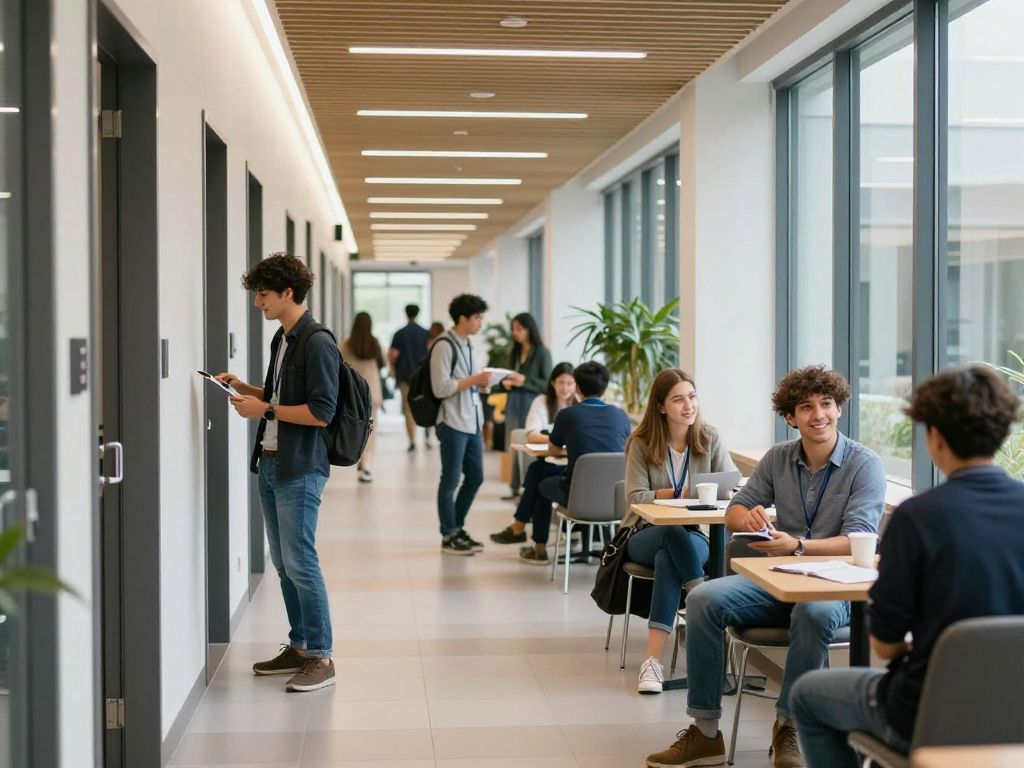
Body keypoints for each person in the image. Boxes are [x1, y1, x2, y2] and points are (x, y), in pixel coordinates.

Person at [645, 365, 885, 768]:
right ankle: (705, 734)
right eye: (806, 408)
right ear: (791, 417)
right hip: (780, 581)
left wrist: (799, 546)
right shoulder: (778, 458)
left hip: (835, 588)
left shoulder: (866, 464)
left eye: (826, 404)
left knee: (812, 613)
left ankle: (788, 727)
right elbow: (734, 511)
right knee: (703, 598)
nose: (818, 414)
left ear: (840, 408)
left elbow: (857, 536)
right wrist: (749, 517)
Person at [790, 366, 1024, 768]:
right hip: (1016, 711)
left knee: (807, 695)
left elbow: (884, 645)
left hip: (930, 710)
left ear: (934, 437)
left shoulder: (917, 518)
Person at [217, 253, 339, 693]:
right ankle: (301, 645)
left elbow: (322, 413)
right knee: (284, 564)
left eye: (263, 295)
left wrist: (264, 409)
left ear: (288, 293)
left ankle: (322, 656)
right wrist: (246, 389)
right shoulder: (282, 338)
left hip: (300, 467)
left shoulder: (318, 342)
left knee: (302, 562)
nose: (258, 303)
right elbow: (277, 394)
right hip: (270, 463)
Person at [624, 369, 737, 695]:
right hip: (644, 533)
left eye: (692, 396)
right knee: (670, 535)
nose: (689, 406)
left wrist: (718, 491)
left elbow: (732, 484)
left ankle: (652, 662)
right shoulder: (641, 443)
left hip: (696, 536)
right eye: (678, 399)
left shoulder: (709, 438)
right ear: (661, 406)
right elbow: (634, 498)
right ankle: (701, 600)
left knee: (669, 557)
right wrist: (681, 493)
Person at [518, 361, 633, 565]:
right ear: (605, 388)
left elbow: (553, 449)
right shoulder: (621, 415)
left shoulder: (568, 415)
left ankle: (539, 550)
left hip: (576, 496)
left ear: (577, 388)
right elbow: (627, 448)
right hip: (615, 499)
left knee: (539, 483)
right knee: (542, 474)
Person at [431, 293, 493, 556]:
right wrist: (474, 379)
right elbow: (440, 388)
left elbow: (470, 382)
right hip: (452, 421)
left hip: (472, 420)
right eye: (477, 318)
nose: (480, 323)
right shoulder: (444, 345)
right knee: (451, 479)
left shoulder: (469, 345)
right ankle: (449, 535)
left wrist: (485, 382)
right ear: (462, 318)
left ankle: (457, 526)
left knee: (476, 476)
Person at [490, 362, 578, 545]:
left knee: (537, 475)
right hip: (555, 465)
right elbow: (532, 434)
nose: (565, 387)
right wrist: (558, 440)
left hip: (575, 471)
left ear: (576, 384)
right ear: (553, 382)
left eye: (570, 383)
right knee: (539, 474)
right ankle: (529, 538)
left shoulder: (580, 405)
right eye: (561, 382)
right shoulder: (542, 402)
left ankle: (522, 530)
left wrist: (554, 438)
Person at [500, 313, 552, 500]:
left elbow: (547, 383)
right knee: (514, 444)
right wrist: (505, 382)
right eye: (513, 329)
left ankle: (528, 487)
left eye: (519, 329)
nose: (515, 333)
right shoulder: (515, 352)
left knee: (530, 442)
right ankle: (514, 487)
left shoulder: (542, 352)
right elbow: (510, 377)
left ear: (529, 329)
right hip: (514, 401)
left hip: (533, 402)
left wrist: (524, 381)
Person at [340, 311, 385, 483]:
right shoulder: (374, 343)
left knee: (353, 426)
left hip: (352, 392)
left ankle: (356, 456)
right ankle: (365, 464)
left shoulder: (347, 342)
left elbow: (338, 363)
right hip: (371, 391)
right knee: (371, 430)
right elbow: (383, 364)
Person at [389, 304, 430, 452]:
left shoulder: (399, 334)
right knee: (426, 405)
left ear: (406, 314)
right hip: (423, 377)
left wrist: (393, 369)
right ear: (418, 314)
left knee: (408, 408)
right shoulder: (426, 333)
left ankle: (412, 440)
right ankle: (427, 437)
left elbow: (393, 355)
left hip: (405, 376)